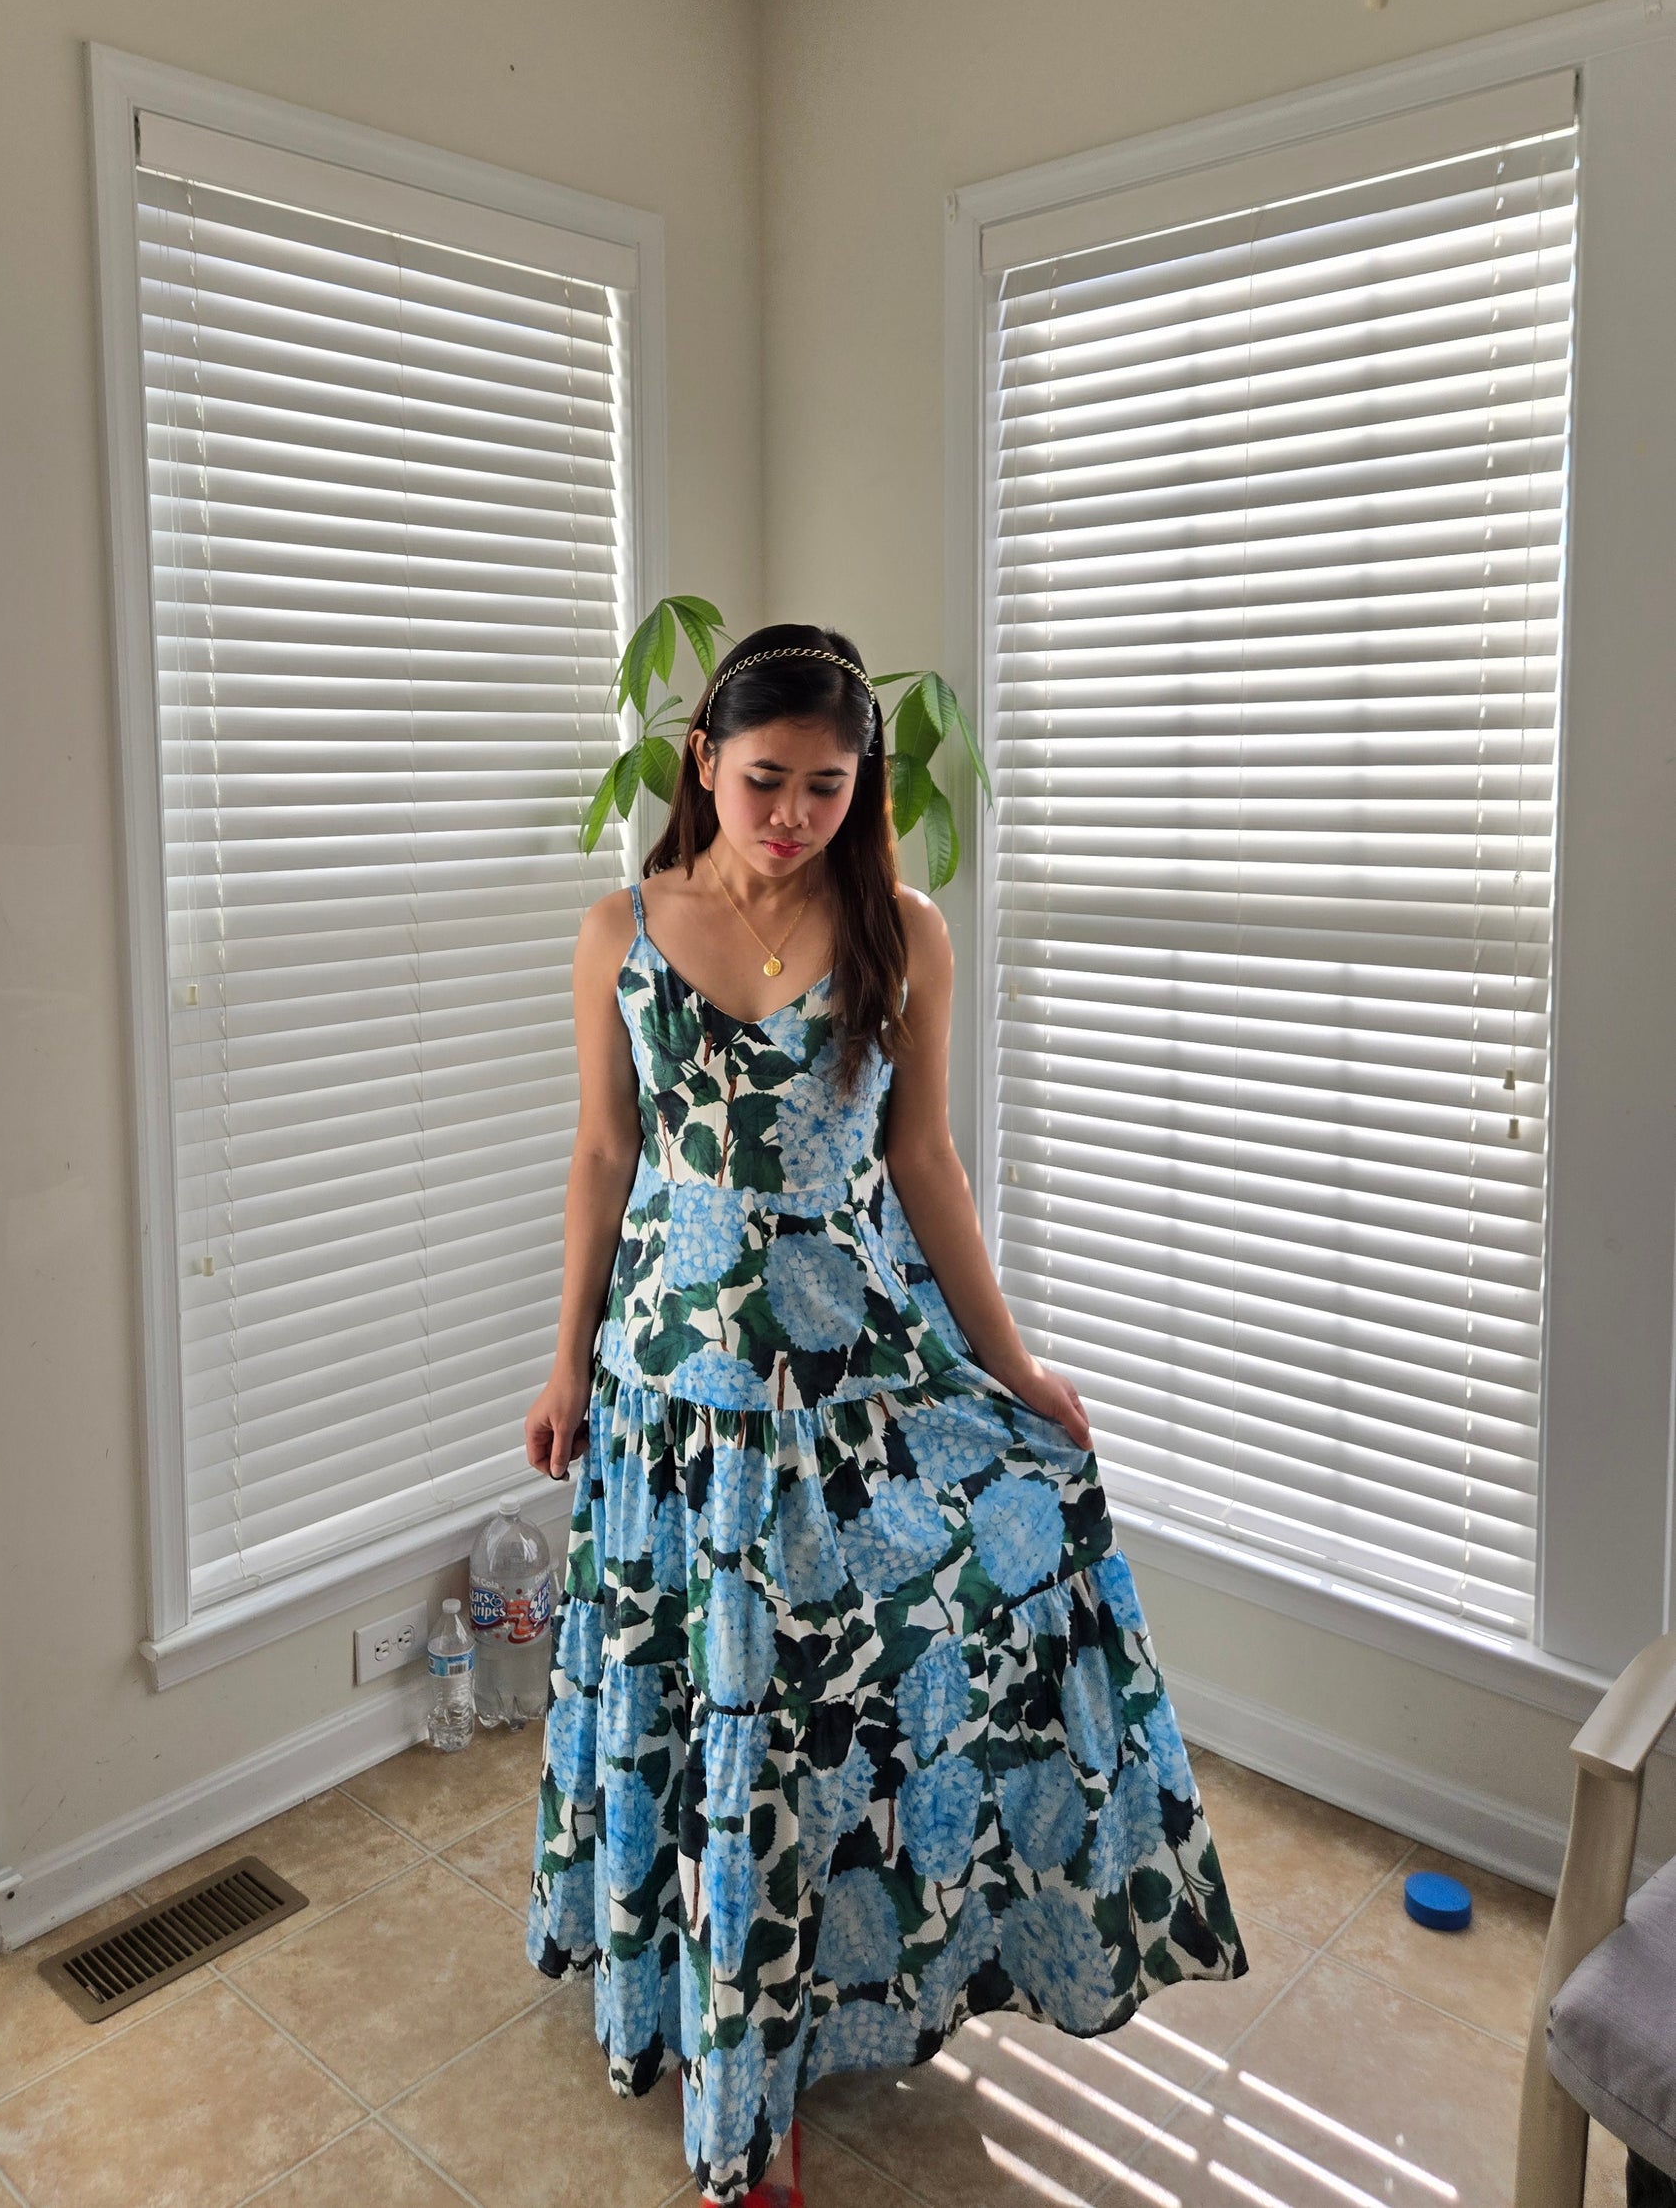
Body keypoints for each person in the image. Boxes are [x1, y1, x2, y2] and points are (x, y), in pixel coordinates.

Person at [523, 624, 1245, 2207]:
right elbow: (601, 1156)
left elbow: (925, 1165)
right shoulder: (619, 930)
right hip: (675, 1404)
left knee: (822, 1726)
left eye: (827, 786)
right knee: (704, 1716)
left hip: (852, 1389)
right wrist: (565, 1360)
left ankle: (808, 2026)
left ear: (866, 787)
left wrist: (1015, 1366)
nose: (792, 813)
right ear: (702, 763)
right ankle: (736, 2064)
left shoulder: (903, 931)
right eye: (764, 779)